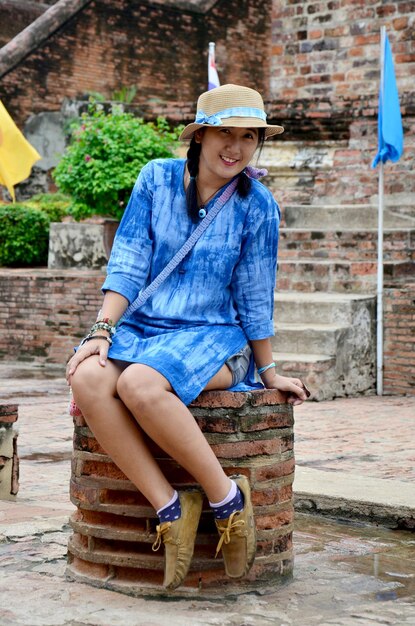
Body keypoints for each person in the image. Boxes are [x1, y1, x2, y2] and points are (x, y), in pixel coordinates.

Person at [67, 84, 309, 590]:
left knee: (139, 385)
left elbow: (254, 295)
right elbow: (129, 260)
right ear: (199, 136)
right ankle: (172, 508)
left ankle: (227, 501)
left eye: (249, 137)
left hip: (213, 336)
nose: (236, 147)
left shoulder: (257, 205)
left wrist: (269, 372)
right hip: (142, 327)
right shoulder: (155, 180)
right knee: (89, 378)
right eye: (225, 132)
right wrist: (102, 329)